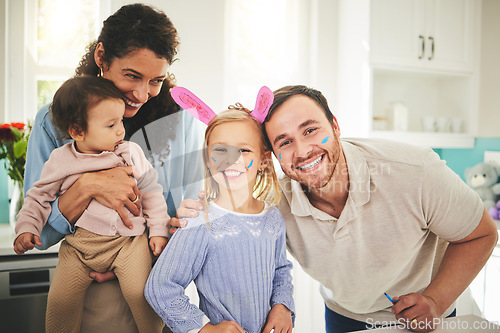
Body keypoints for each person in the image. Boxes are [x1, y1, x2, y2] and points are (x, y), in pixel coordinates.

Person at [175, 85, 498, 333]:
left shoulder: (415, 170)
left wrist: (437, 300)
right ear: (271, 155)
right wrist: (193, 218)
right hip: (345, 315)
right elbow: (238, 228)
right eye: (284, 142)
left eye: (311, 129)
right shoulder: (273, 203)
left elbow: (481, 234)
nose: (302, 150)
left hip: (428, 312)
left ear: (335, 125)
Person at [23, 4, 203, 332]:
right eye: (132, 75)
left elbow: (189, 222)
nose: (141, 93)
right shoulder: (54, 123)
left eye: (156, 81)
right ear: (102, 57)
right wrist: (87, 186)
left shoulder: (181, 123)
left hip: (156, 289)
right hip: (89, 291)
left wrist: (141, 254)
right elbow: (40, 233)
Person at [14, 76, 167, 332]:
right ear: (77, 131)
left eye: (121, 121)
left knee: (140, 293)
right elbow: (38, 195)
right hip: (80, 247)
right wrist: (26, 228)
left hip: (128, 243)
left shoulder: (128, 152)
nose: (121, 130)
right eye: (110, 125)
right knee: (61, 301)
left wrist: (159, 229)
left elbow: (152, 189)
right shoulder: (61, 160)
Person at [145, 87, 295, 333]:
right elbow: (160, 287)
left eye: (244, 150)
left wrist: (283, 306)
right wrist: (204, 329)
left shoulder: (272, 218)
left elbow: (281, 270)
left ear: (264, 160)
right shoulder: (198, 221)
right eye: (220, 150)